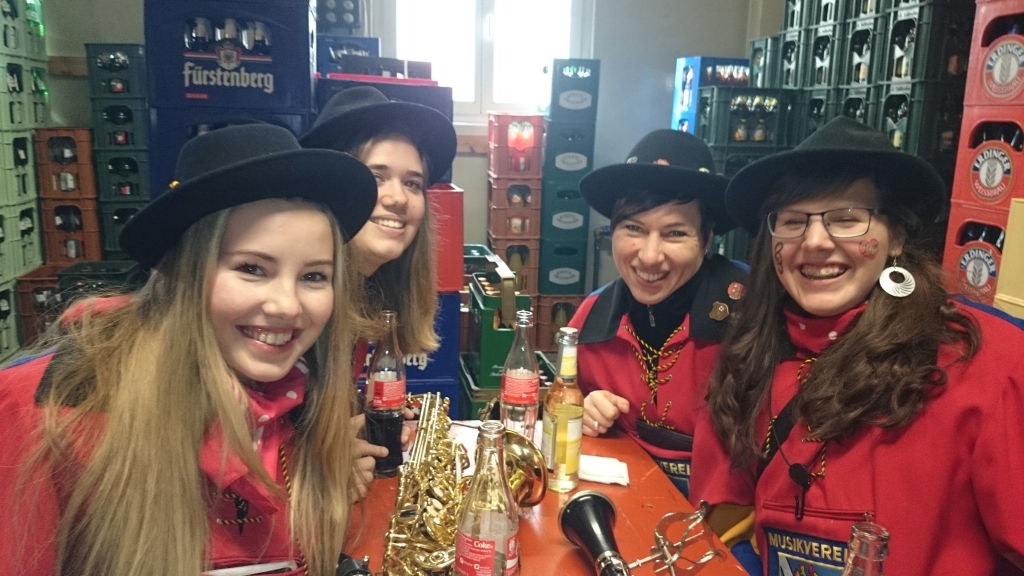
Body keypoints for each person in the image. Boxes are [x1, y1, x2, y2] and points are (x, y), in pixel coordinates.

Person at [0, 124, 379, 576]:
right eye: (252, 268)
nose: (287, 305)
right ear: (184, 272)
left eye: (314, 276)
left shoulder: (304, 404)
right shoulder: (52, 411)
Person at [691, 117, 1024, 575]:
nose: (814, 242)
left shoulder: (984, 366)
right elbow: (721, 520)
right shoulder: (749, 355)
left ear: (896, 237)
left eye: (846, 219)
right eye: (793, 222)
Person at [569, 129, 746, 498]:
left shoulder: (753, 317)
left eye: (675, 233)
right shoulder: (590, 321)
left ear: (707, 239)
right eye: (633, 228)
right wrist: (582, 411)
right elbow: (561, 408)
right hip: (627, 506)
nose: (649, 256)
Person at [300, 86, 457, 500]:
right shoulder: (293, 305)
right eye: (376, 177)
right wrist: (316, 467)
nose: (398, 198)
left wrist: (360, 421)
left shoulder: (367, 293)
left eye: (413, 183)